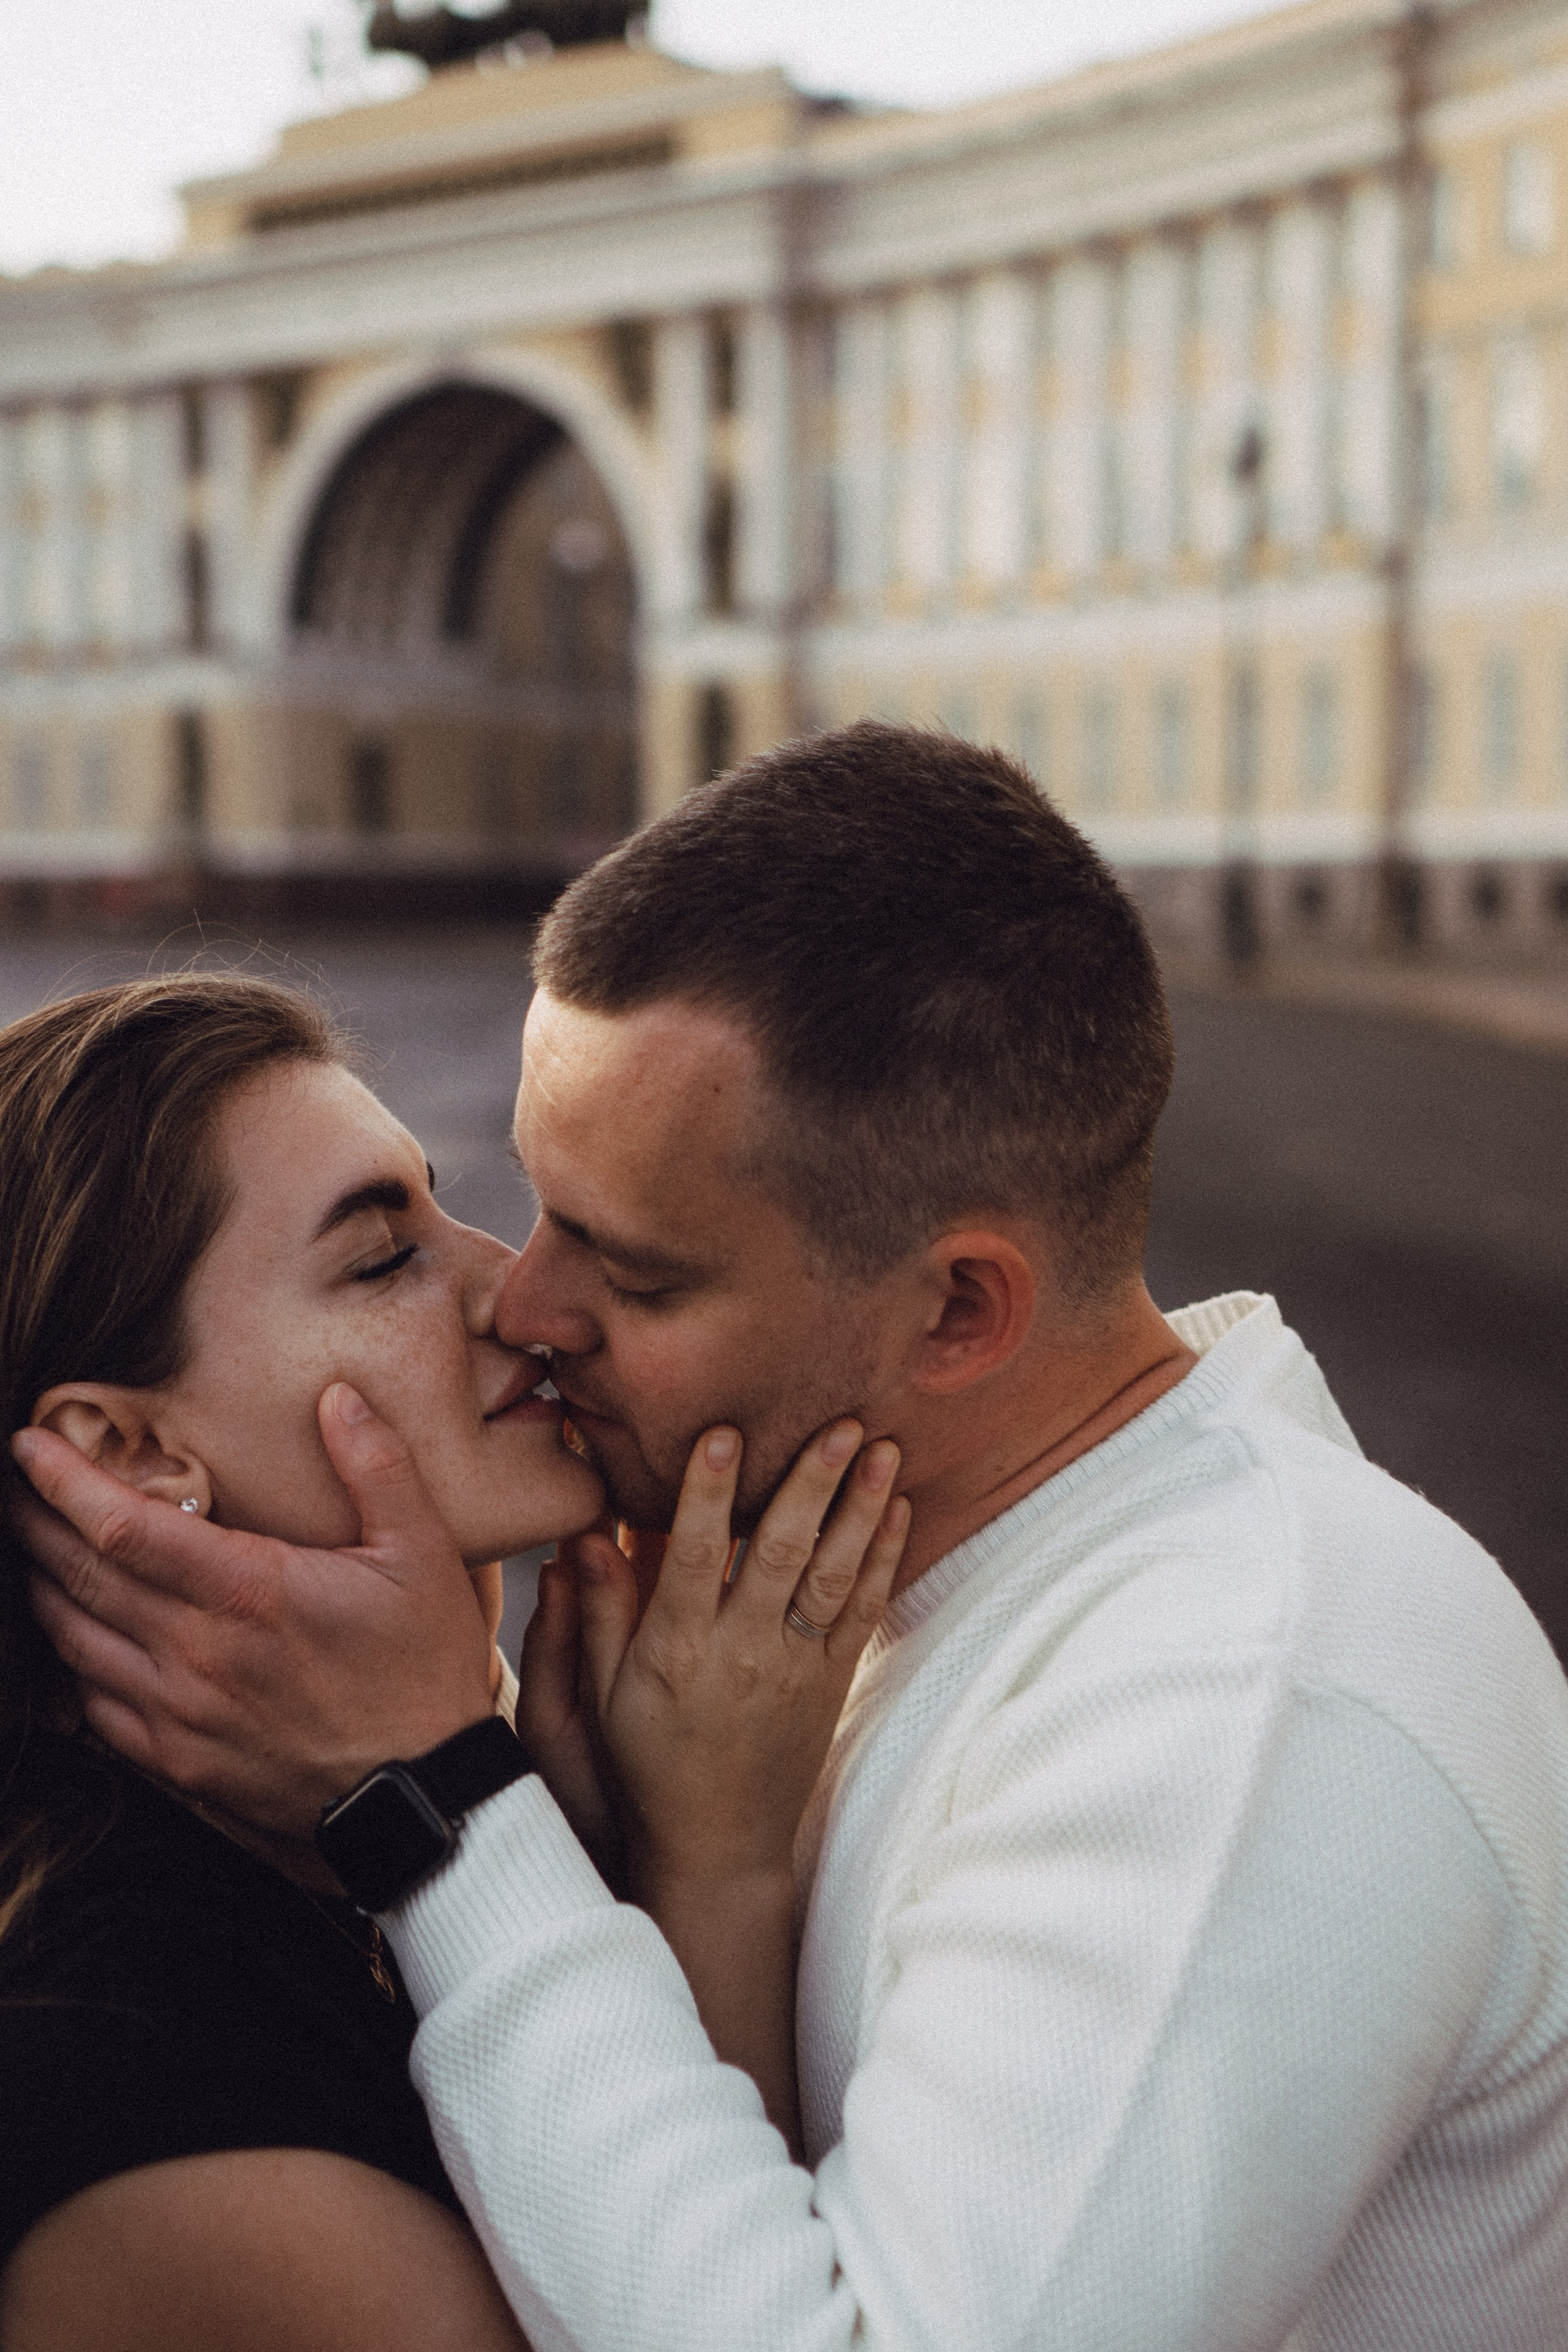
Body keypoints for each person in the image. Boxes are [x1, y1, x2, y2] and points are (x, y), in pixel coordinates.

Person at [22, 725, 1568, 2350]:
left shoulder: (1247, 1697)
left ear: (960, 1310)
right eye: (519, 1205)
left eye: (635, 1268)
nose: (527, 1304)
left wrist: (443, 1808)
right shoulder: (805, 1622)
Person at [0, 969, 904, 2350]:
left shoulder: (290, 1873)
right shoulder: (144, 2095)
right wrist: (706, 1868)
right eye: (381, 1258)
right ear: (127, 1454)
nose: (521, 1293)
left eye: (439, 1204)